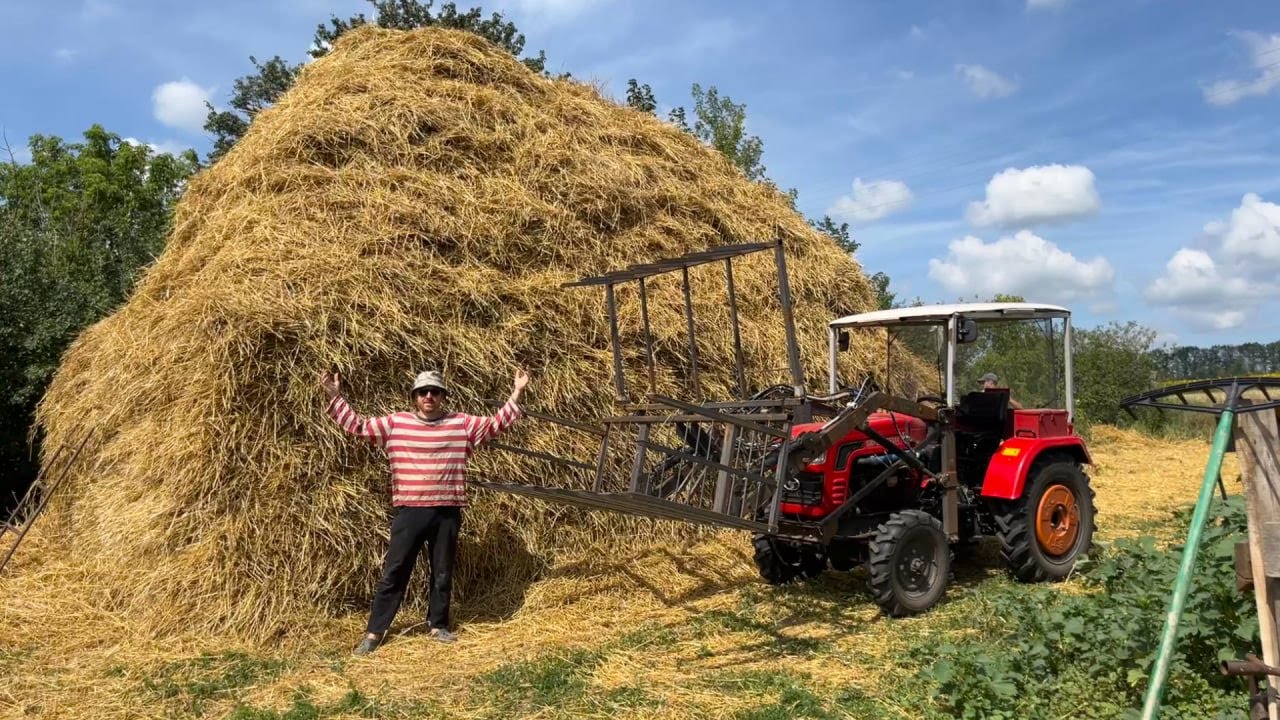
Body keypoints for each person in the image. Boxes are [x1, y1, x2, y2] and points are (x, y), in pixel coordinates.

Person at [320, 366, 530, 654]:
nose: (428, 396)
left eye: (434, 391)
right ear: (414, 397)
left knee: (442, 571)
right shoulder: (395, 424)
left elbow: (497, 424)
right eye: (423, 392)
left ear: (443, 396)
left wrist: (517, 392)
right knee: (395, 571)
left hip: (447, 509)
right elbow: (358, 426)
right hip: (410, 510)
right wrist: (335, 396)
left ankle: (438, 624)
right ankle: (374, 633)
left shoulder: (461, 424)